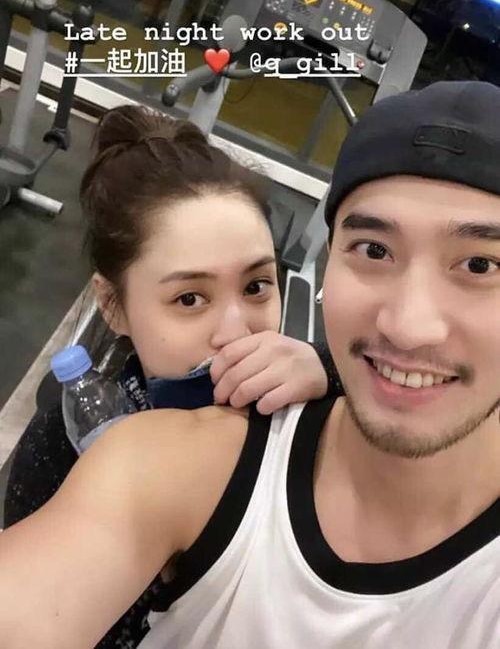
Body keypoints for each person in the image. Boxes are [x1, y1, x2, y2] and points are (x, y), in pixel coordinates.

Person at [1, 81, 499, 649]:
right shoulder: (140, 454)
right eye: (375, 250)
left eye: (480, 265)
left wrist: (332, 370)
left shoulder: (292, 394)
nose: (408, 326)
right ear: (113, 306)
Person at [2, 104, 338, 648]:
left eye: (256, 287)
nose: (236, 333)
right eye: (189, 299)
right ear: (112, 305)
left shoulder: (320, 409)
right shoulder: (65, 444)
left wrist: (334, 373)